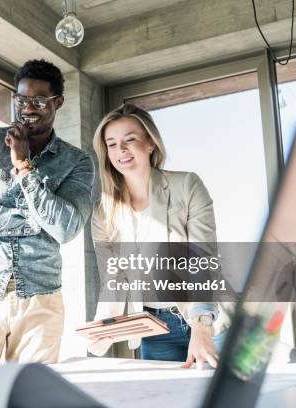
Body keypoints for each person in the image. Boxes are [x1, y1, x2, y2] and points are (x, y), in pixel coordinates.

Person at [0, 59, 95, 370]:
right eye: (22, 99)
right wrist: (39, 222)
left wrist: (24, 166)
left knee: (30, 395)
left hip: (42, 299)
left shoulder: (78, 162)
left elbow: (66, 229)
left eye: (39, 100)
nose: (28, 108)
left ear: (58, 102)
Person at [89, 103, 230, 368]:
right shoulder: (103, 212)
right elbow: (113, 278)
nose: (121, 150)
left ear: (151, 144)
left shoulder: (187, 185)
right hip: (155, 330)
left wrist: (201, 326)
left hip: (208, 319)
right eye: (112, 144)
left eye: (130, 140)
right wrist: (104, 328)